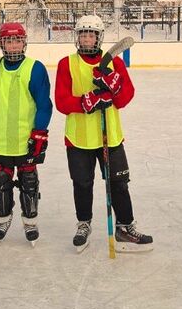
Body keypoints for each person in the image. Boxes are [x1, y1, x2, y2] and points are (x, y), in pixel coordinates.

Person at [54, 14, 153, 253]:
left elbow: (126, 96)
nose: (87, 39)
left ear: (99, 38)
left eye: (91, 34)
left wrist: (114, 87)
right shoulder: (66, 63)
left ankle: (124, 227)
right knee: (82, 183)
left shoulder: (114, 63)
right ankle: (84, 223)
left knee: (119, 183)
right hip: (78, 138)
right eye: (83, 34)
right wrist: (87, 101)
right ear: (77, 37)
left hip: (111, 136)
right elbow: (61, 101)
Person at [0, 22, 52, 246]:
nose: (13, 45)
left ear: (24, 42)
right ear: (1, 43)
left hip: (25, 141)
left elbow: (44, 105)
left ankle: (30, 221)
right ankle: (2, 219)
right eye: (8, 41)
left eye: (17, 40)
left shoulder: (35, 67)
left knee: (29, 182)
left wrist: (40, 132)